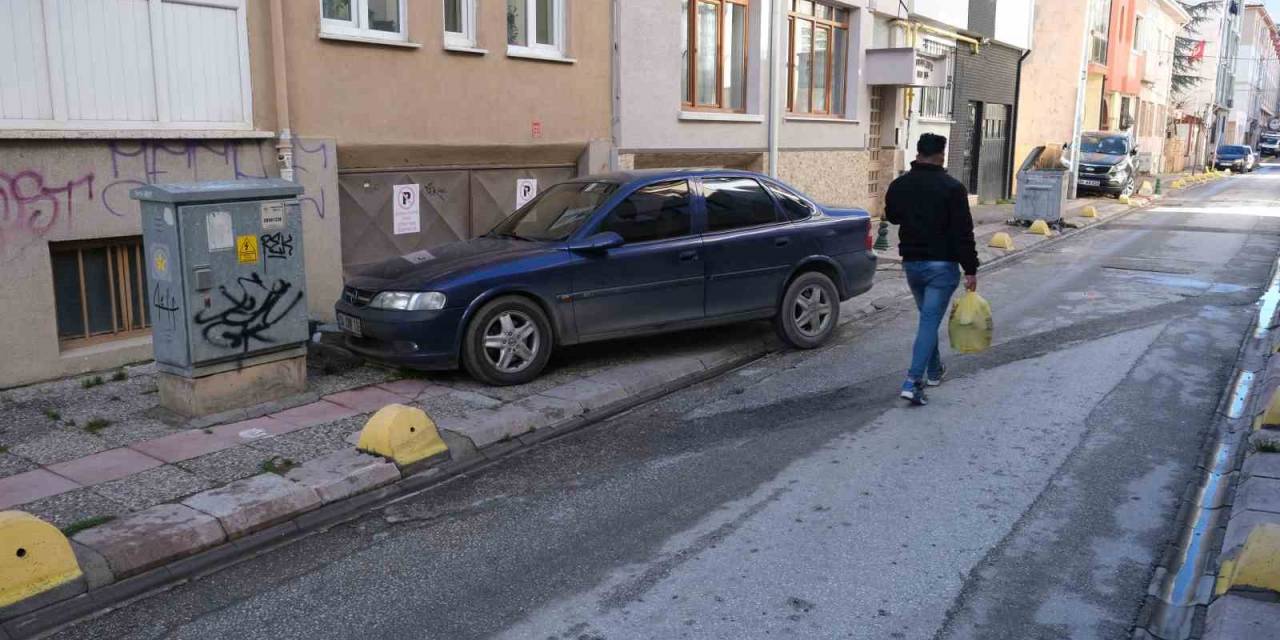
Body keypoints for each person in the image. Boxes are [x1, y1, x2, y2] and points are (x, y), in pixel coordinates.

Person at [884, 133, 979, 406]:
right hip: (942, 266)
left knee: (929, 318)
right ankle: (913, 381)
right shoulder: (952, 188)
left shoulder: (899, 184)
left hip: (912, 264)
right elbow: (964, 232)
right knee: (929, 320)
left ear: (918, 153)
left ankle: (934, 371)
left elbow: (892, 217)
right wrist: (970, 269)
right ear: (940, 155)